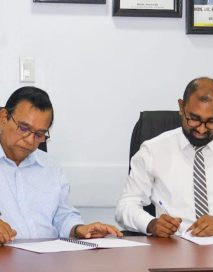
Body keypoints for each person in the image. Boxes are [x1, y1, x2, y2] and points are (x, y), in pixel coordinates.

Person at [116, 77, 213, 237]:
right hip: (173, 248)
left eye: (211, 122)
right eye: (194, 120)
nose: (202, 130)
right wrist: (151, 224)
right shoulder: (153, 150)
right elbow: (126, 207)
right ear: (181, 107)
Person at [0, 86, 122, 245]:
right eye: (24, 128)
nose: (30, 141)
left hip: (50, 261)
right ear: (3, 118)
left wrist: (78, 229)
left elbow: (63, 216)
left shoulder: (50, 167)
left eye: (39, 134)